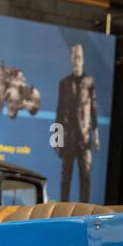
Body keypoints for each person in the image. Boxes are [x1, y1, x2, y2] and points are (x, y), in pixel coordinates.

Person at [54, 44, 99, 201]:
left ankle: (84, 213)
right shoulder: (64, 83)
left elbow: (93, 110)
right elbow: (59, 113)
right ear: (71, 59)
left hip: (84, 138)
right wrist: (56, 139)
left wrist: (96, 136)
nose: (76, 61)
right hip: (67, 139)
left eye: (79, 57)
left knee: (85, 177)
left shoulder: (89, 82)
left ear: (83, 60)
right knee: (65, 178)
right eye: (74, 57)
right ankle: (62, 211)